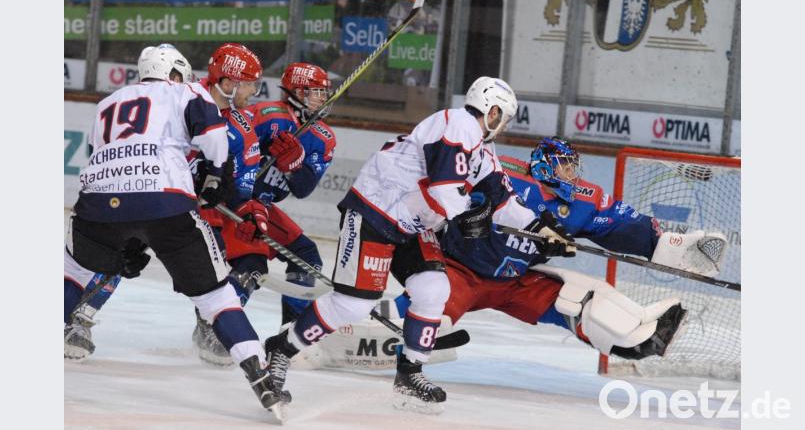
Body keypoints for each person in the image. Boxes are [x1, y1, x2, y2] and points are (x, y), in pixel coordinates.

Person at [257, 76, 572, 414]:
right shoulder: (457, 125)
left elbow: (504, 200)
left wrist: (542, 230)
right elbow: (444, 191)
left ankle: (409, 373)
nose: (504, 125)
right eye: (504, 117)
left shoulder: (480, 146)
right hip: (375, 213)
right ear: (492, 111)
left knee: (434, 288)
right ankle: (282, 349)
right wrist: (473, 216)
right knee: (353, 305)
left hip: (412, 223)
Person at [63, 43, 280, 414]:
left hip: (98, 202)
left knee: (73, 270)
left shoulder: (107, 103)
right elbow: (214, 140)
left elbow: (105, 157)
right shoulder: (189, 92)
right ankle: (259, 374)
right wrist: (214, 176)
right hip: (166, 202)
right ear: (176, 75)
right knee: (216, 296)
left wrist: (127, 240)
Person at [428, 137, 725, 359]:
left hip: (515, 282)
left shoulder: (581, 200)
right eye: (565, 167)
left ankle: (638, 341)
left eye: (573, 167)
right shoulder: (500, 173)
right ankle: (400, 335)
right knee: (429, 313)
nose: (572, 174)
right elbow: (450, 191)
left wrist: (664, 244)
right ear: (545, 166)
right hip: (459, 271)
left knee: (580, 302)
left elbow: (616, 223)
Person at [190, 60, 337, 366]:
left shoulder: (323, 137)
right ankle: (213, 326)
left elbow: (303, 188)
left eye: (324, 93)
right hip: (236, 202)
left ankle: (290, 336)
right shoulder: (268, 115)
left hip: (264, 207)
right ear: (295, 91)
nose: (322, 100)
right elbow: (230, 144)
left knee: (307, 257)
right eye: (315, 93)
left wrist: (294, 164)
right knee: (252, 262)